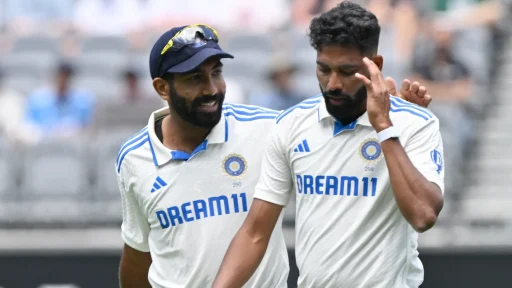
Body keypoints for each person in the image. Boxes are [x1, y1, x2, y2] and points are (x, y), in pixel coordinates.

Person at [117, 24, 432, 288]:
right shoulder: (134, 159)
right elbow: (137, 254)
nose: (212, 89)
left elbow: (344, 143)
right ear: (162, 88)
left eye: (216, 73)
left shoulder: (267, 129)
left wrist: (399, 121)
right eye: (194, 79)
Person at [213, 2, 444, 288]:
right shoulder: (292, 125)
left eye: (347, 72)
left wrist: (384, 126)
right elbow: (255, 232)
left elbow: (423, 215)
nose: (332, 83)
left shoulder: (414, 122)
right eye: (324, 69)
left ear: (376, 66)